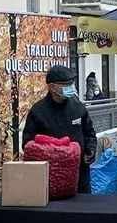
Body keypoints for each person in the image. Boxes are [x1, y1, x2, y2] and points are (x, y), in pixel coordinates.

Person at [23, 65, 97, 193]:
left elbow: (89, 133)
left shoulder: (78, 107)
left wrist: (91, 150)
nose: (71, 88)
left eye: (71, 84)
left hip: (80, 176)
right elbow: (27, 144)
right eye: (66, 84)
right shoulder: (38, 111)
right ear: (52, 87)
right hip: (51, 180)